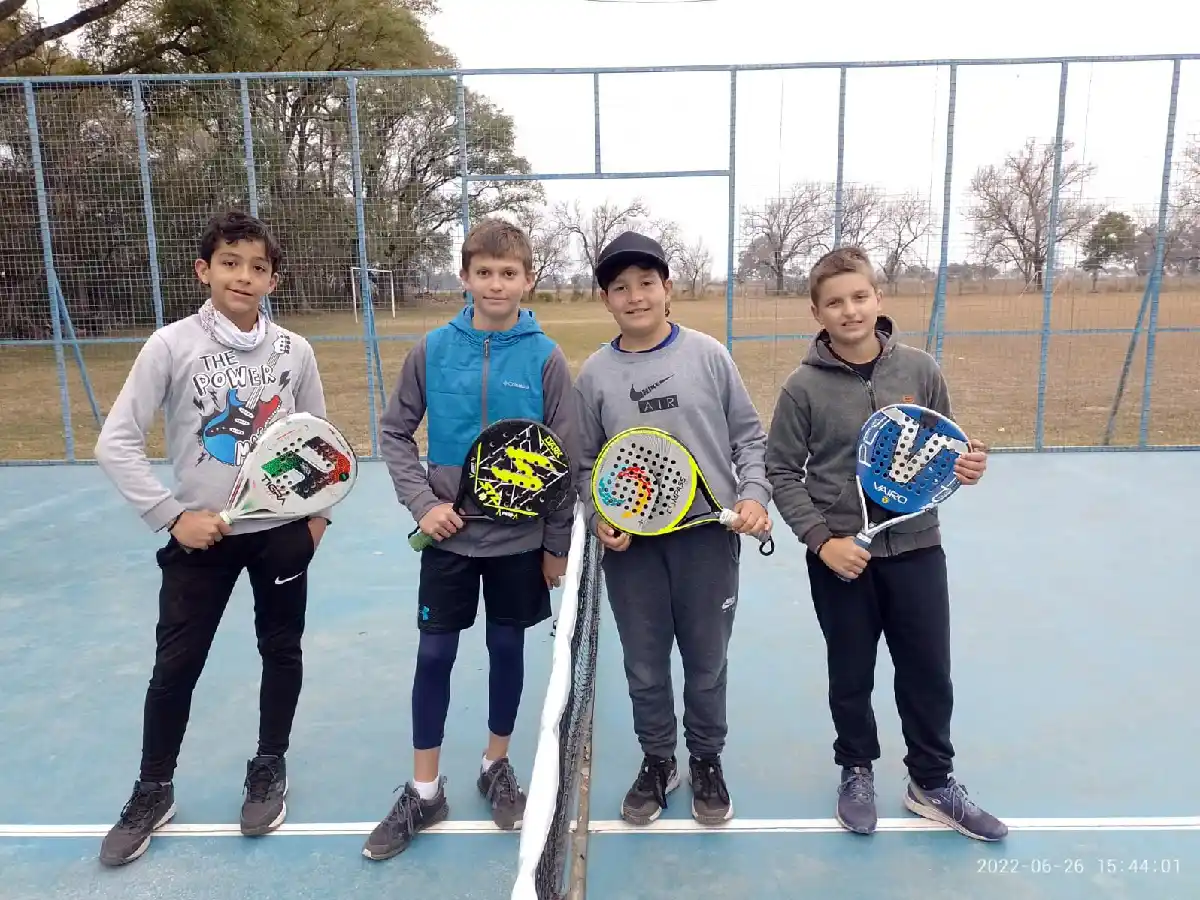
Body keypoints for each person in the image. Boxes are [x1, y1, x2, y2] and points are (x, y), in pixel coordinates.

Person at [93, 210, 333, 866]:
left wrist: (314, 523)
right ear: (204, 270)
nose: (244, 276)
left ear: (273, 279)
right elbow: (114, 443)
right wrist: (173, 517)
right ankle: (153, 788)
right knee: (176, 665)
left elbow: (318, 445)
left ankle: (269, 767)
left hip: (281, 534)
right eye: (231, 263)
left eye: (258, 267)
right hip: (201, 537)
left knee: (280, 651)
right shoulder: (169, 346)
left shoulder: (295, 353)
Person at [764, 245, 1007, 842]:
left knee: (927, 670)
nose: (850, 310)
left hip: (918, 549)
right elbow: (781, 471)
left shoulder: (920, 369)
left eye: (860, 296)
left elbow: (946, 447)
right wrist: (823, 543)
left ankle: (932, 780)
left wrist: (967, 465)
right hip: (840, 558)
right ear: (816, 313)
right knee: (851, 672)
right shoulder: (802, 388)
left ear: (879, 298)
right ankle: (856, 770)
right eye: (835, 302)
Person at [367, 217, 577, 861]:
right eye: (483, 272)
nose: (495, 283)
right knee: (434, 658)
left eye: (508, 273)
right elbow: (394, 434)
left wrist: (556, 545)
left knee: (507, 649)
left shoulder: (545, 357)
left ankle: (496, 764)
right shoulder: (432, 349)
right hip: (449, 544)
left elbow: (564, 459)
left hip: (518, 545)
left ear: (527, 280)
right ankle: (424, 789)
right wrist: (424, 506)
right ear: (465, 277)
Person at [573, 231, 772, 828]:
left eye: (646, 283)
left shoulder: (709, 355)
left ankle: (706, 760)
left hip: (708, 540)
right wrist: (603, 516)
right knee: (644, 665)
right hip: (632, 549)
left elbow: (749, 439)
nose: (635, 297)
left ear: (667, 289)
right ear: (606, 299)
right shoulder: (595, 375)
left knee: (706, 663)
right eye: (620, 287)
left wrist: (755, 495)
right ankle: (659, 760)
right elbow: (585, 467)